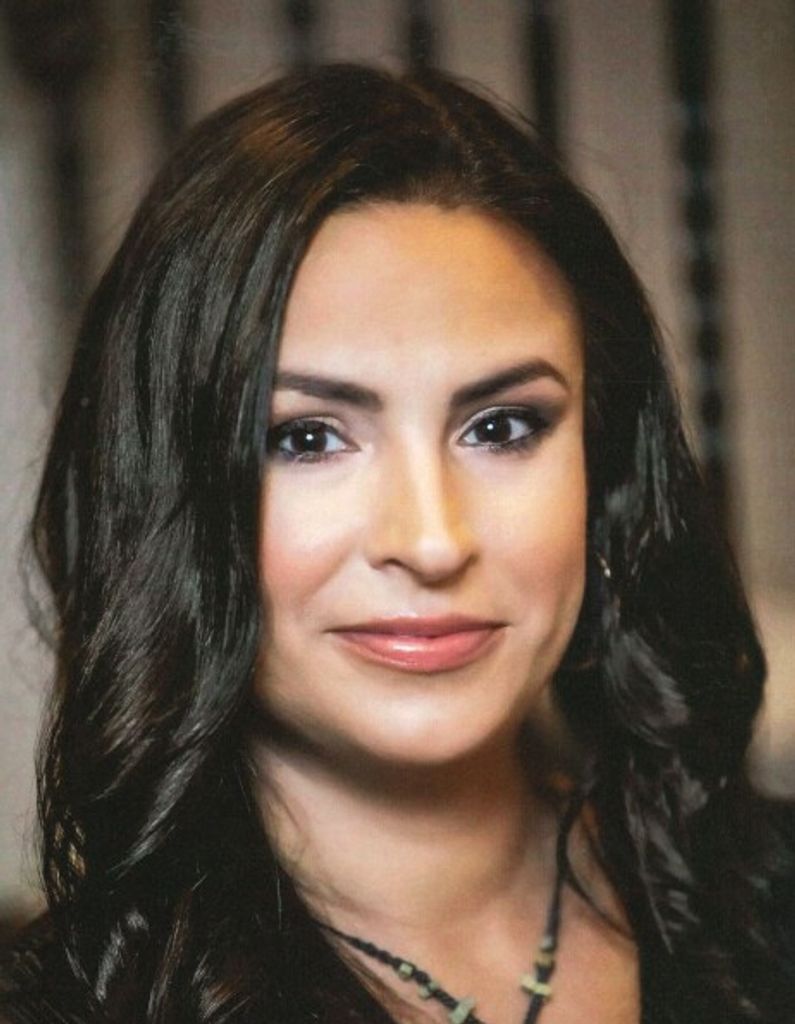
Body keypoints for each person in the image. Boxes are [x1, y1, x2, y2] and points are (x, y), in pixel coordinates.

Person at [1, 62, 793, 1024]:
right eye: (306, 438)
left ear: (606, 472)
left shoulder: (766, 905)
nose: (430, 541)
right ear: (169, 498)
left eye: (501, 427)